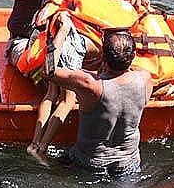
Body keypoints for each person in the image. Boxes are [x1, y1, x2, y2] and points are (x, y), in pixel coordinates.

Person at [0, 0, 151, 162]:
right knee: (61, 90)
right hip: (26, 44)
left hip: (66, 41)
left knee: (116, 47)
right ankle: (50, 135)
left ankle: (96, 92)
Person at [43, 27, 153, 175]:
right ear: (133, 56)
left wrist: (62, 32)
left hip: (89, 162)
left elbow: (48, 70)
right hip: (128, 164)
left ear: (103, 57)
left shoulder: (90, 84)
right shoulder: (145, 79)